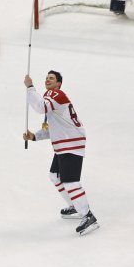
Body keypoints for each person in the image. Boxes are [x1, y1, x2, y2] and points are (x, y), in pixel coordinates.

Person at [22, 70, 99, 236]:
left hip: (70, 144)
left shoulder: (55, 94)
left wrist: (30, 87)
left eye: (51, 78)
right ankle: (76, 206)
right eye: (46, 78)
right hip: (64, 145)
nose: (47, 80)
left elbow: (38, 106)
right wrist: (34, 136)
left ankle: (88, 216)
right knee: (55, 175)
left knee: (70, 182)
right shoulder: (52, 100)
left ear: (58, 84)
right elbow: (52, 129)